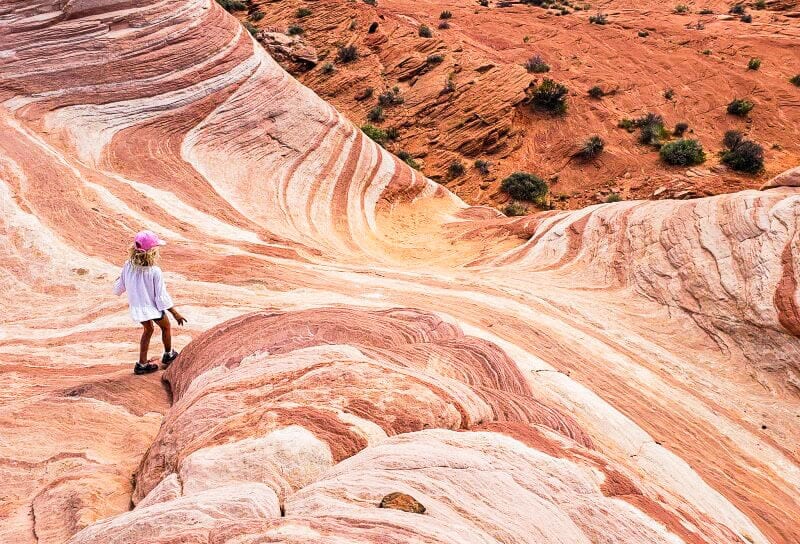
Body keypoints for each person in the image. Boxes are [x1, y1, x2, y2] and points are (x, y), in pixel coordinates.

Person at [113, 230, 187, 375]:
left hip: (137, 307)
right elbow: (161, 296)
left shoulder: (128, 265)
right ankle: (168, 354)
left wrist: (117, 289)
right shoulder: (154, 271)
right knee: (166, 326)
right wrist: (175, 313)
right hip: (151, 308)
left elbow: (120, 286)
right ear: (152, 252)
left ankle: (141, 363)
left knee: (148, 330)